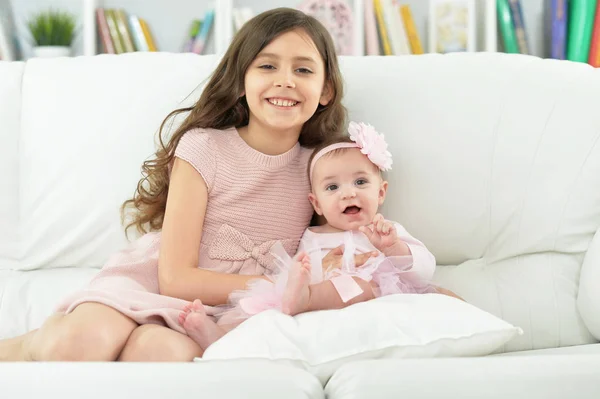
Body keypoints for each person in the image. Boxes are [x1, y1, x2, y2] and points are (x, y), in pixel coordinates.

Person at [0, 8, 374, 362]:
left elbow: (354, 235)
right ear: (241, 80)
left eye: (304, 70)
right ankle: (27, 345)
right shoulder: (204, 146)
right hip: (158, 283)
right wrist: (275, 284)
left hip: (228, 310)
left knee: (164, 354)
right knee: (77, 344)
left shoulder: (323, 166)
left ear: (326, 90)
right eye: (267, 65)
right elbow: (175, 277)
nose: (285, 80)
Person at [179, 121, 464, 351]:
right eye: (332, 188)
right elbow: (301, 270)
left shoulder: (385, 231)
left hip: (373, 297)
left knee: (445, 298)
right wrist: (324, 268)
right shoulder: (313, 237)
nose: (348, 192)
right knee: (262, 308)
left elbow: (424, 270)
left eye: (360, 182)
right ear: (316, 204)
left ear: (381, 193)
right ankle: (217, 335)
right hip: (315, 301)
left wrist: (394, 248)